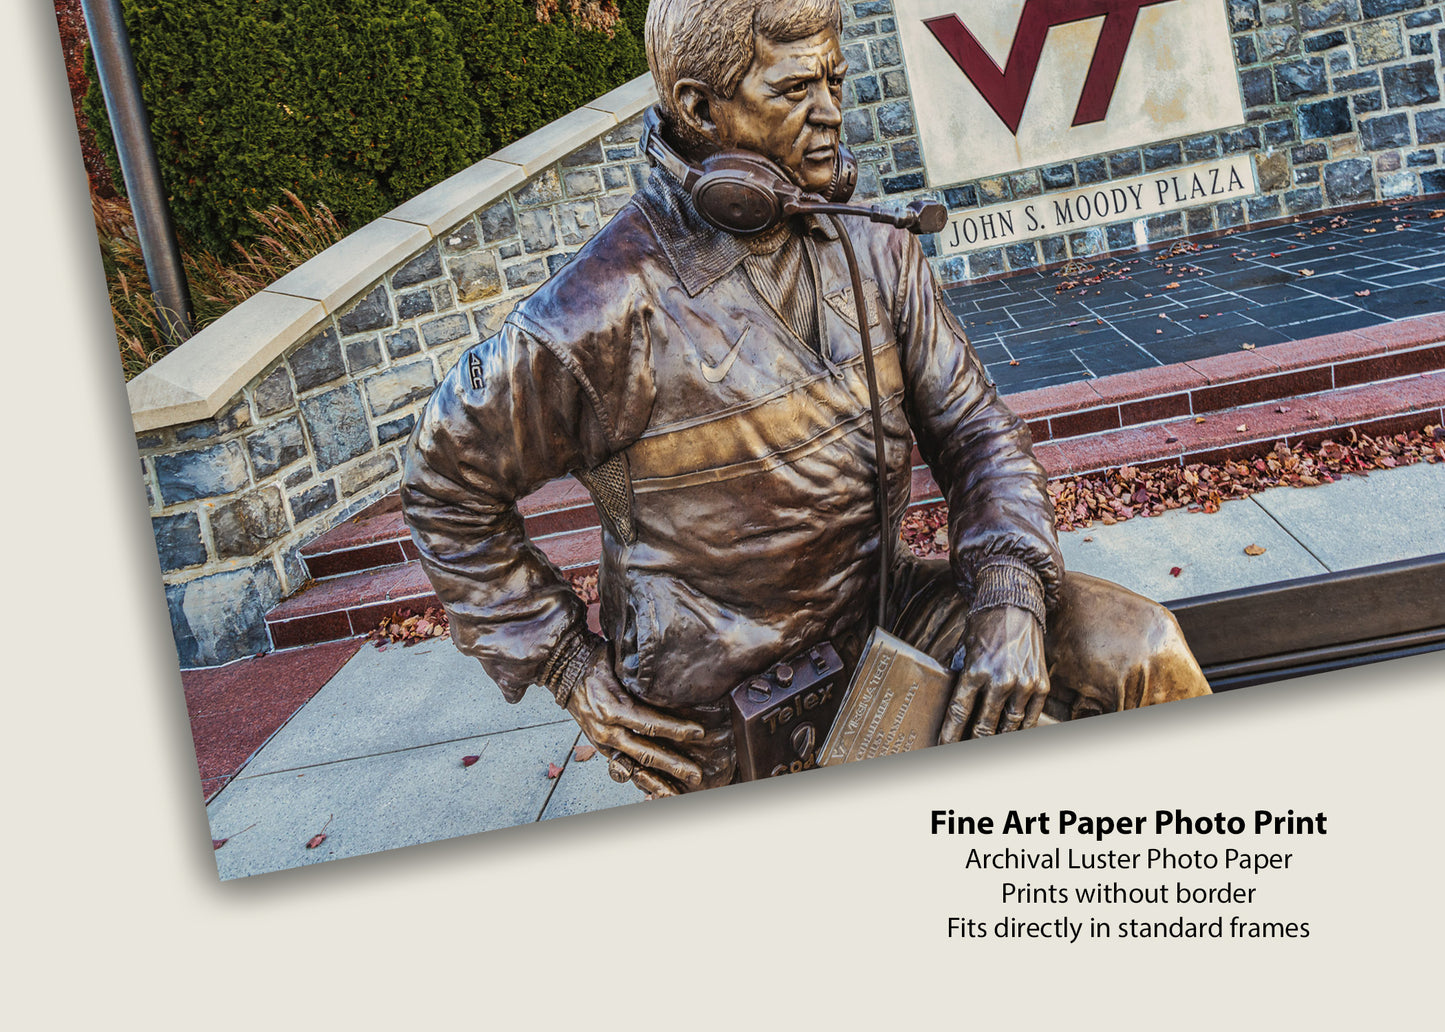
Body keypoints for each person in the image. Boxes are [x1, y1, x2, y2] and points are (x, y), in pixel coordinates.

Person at [402, 0, 1209, 797]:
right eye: (793, 91)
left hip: (890, 620)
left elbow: (976, 434)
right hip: (725, 705)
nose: (830, 113)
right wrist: (568, 665)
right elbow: (446, 487)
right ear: (697, 107)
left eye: (834, 79)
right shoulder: (595, 313)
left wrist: (1008, 600)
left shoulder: (874, 242)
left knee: (1142, 650)